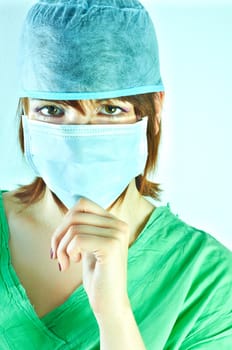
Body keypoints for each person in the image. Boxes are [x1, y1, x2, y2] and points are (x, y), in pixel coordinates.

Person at [0, 0, 231, 349]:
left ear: (154, 110)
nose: (78, 140)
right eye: (52, 109)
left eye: (110, 109)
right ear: (26, 114)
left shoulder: (206, 280)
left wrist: (115, 314)